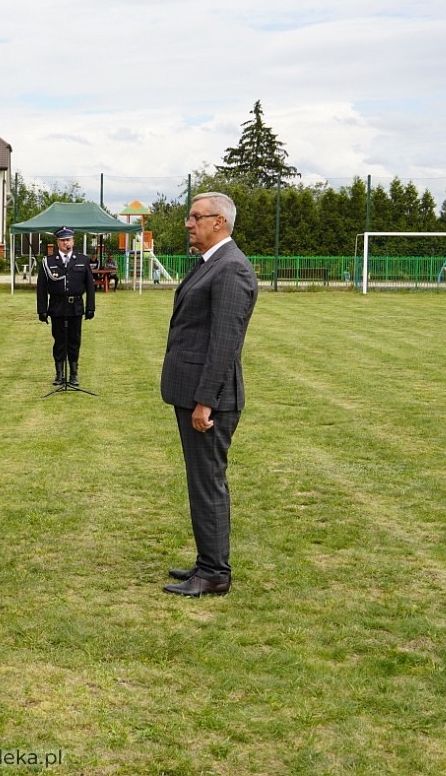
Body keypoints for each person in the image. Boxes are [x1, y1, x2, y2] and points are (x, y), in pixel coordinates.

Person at [161, 192, 257, 598]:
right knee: (200, 481)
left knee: (207, 483)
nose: (188, 224)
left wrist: (206, 402)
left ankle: (215, 573)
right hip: (197, 394)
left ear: (219, 222)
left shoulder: (231, 269)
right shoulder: (212, 264)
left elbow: (224, 344)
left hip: (210, 401)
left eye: (195, 217)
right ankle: (206, 562)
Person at [36, 226, 96, 387]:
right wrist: (42, 310)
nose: (66, 243)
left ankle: (74, 374)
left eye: (68, 240)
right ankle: (60, 374)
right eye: (63, 240)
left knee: (74, 340)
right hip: (57, 307)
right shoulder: (48, 262)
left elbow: (90, 285)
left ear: (73, 241)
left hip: (75, 306)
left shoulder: (82, 260)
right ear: (58, 243)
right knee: (59, 341)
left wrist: (91, 307)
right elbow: (41, 287)